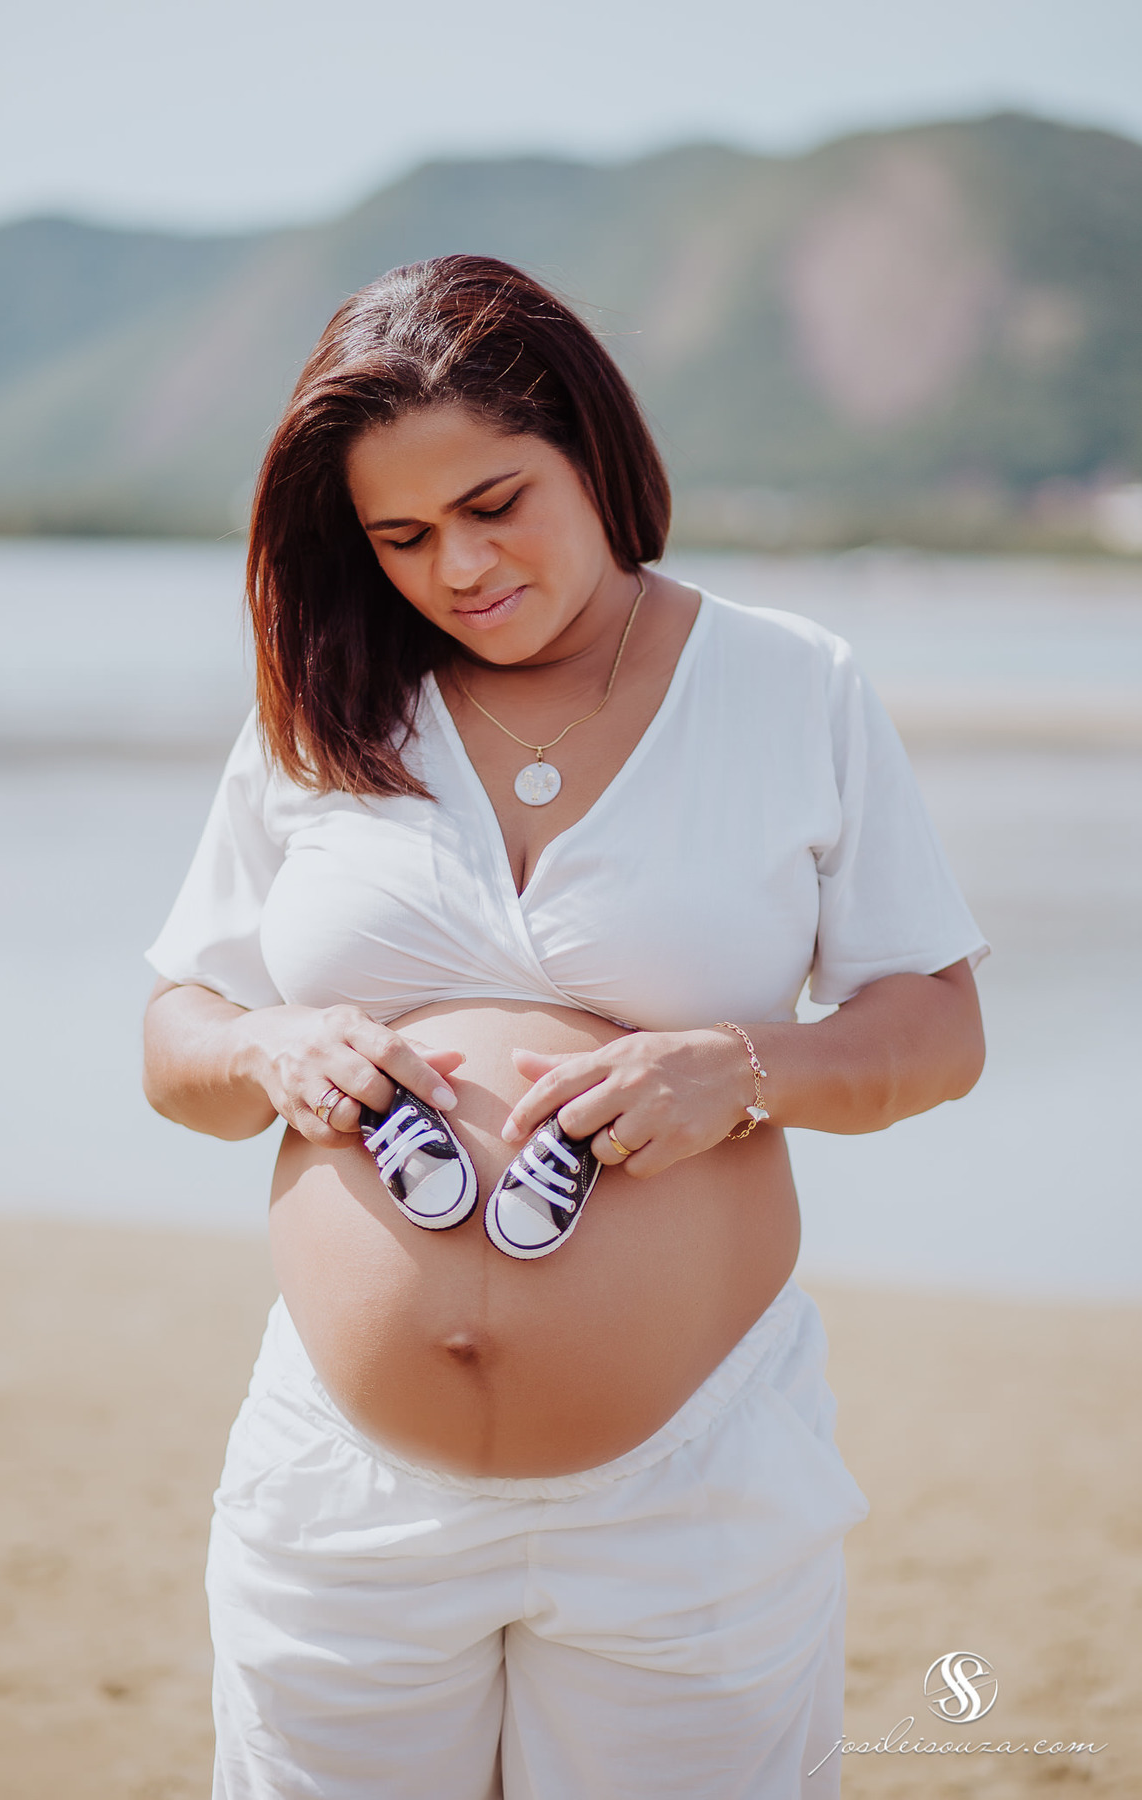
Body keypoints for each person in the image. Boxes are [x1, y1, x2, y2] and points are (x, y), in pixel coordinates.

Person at [142, 253, 988, 1799]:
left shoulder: (791, 686)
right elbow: (176, 1040)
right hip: (344, 1492)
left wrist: (744, 1071)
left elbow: (934, 1028)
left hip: (690, 1490)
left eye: (495, 504)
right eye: (401, 536)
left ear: (591, 453)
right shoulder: (322, 702)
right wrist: (270, 1048)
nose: (456, 568)